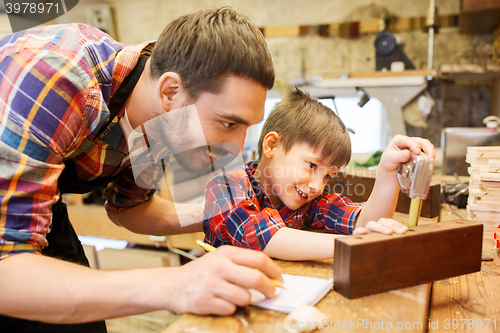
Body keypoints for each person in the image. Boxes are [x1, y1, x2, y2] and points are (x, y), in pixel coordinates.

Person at [0, 7, 285, 332]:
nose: (235, 146)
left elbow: (129, 208)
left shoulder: (163, 118)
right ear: (170, 91)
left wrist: (225, 216)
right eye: (228, 122)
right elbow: (6, 267)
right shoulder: (55, 79)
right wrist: (174, 285)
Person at [203, 88, 435, 260]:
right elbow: (270, 238)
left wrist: (387, 171)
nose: (318, 186)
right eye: (312, 166)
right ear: (272, 145)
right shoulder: (226, 189)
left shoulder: (308, 201)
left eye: (327, 176)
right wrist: (355, 243)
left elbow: (365, 223)